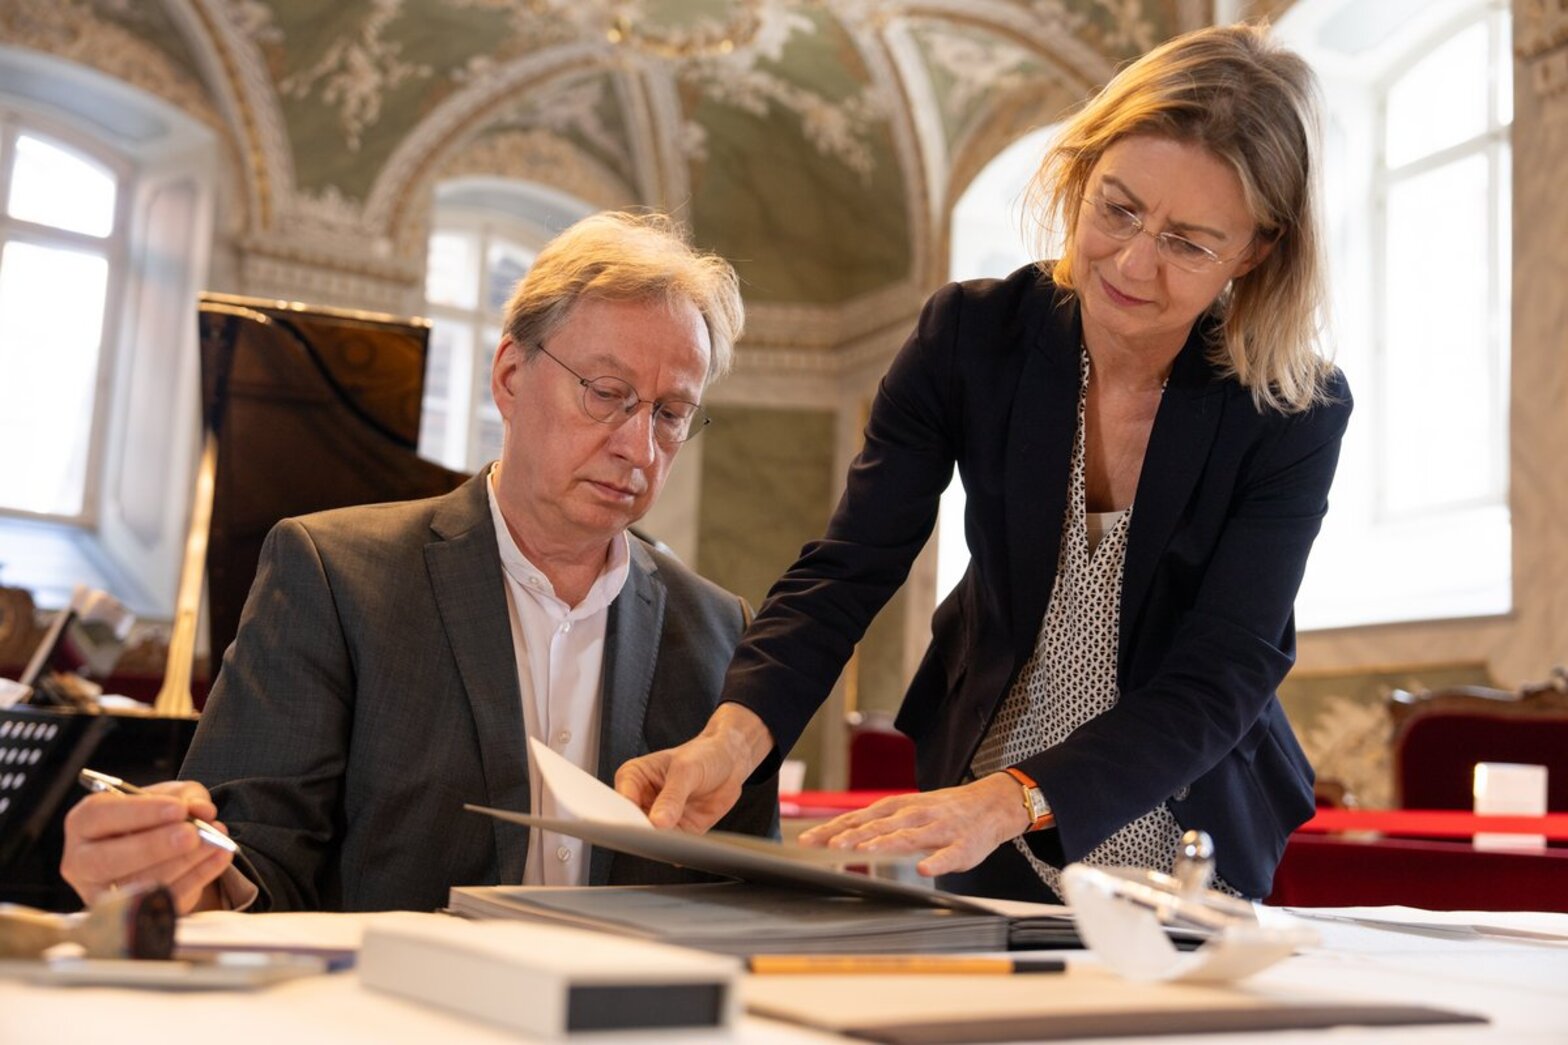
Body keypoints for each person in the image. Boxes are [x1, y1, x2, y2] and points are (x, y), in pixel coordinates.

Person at [617, 23, 1350, 902]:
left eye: (1189, 242)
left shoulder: (1291, 409)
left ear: (1257, 252)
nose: (1131, 260)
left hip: (1184, 820)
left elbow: (1221, 673)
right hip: (977, 796)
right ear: (1081, 174)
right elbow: (851, 567)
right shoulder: (972, 336)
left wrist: (1014, 801)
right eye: (1116, 208)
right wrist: (733, 738)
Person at [60, 211, 778, 913]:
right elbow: (253, 855)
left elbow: (748, 900)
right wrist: (169, 870)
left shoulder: (720, 629)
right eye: (606, 393)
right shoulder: (334, 577)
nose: (639, 446)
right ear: (510, 376)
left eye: (671, 413)